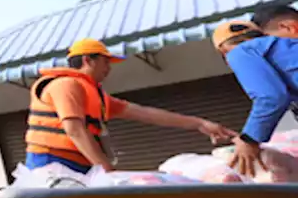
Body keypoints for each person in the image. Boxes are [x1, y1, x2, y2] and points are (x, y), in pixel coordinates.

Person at [23, 38, 235, 174]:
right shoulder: (65, 85)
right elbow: (75, 130)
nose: (109, 68)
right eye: (106, 62)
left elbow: (145, 113)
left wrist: (199, 124)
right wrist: (104, 169)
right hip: (51, 162)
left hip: (82, 164)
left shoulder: (98, 96)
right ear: (89, 60)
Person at [212, 18, 298, 177]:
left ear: (223, 51)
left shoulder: (240, 52)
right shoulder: (286, 47)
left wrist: (249, 139)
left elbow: (271, 98)